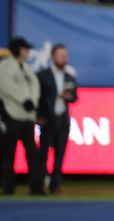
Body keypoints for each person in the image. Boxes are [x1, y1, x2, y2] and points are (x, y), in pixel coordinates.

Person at [0, 37, 44, 195]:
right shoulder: (5, 67)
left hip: (27, 116)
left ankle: (36, 186)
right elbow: (6, 87)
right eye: (25, 48)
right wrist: (23, 100)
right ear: (18, 49)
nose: (27, 51)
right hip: (12, 114)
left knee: (32, 152)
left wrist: (32, 101)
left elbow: (35, 85)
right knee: (8, 153)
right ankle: (8, 186)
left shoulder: (26, 67)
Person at [36, 43, 77, 195]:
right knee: (43, 154)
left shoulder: (69, 75)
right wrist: (39, 115)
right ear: (53, 57)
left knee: (60, 155)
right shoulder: (42, 75)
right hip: (47, 119)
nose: (64, 58)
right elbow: (37, 97)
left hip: (62, 119)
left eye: (65, 55)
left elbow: (75, 96)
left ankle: (55, 185)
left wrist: (69, 97)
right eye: (61, 55)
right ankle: (39, 184)